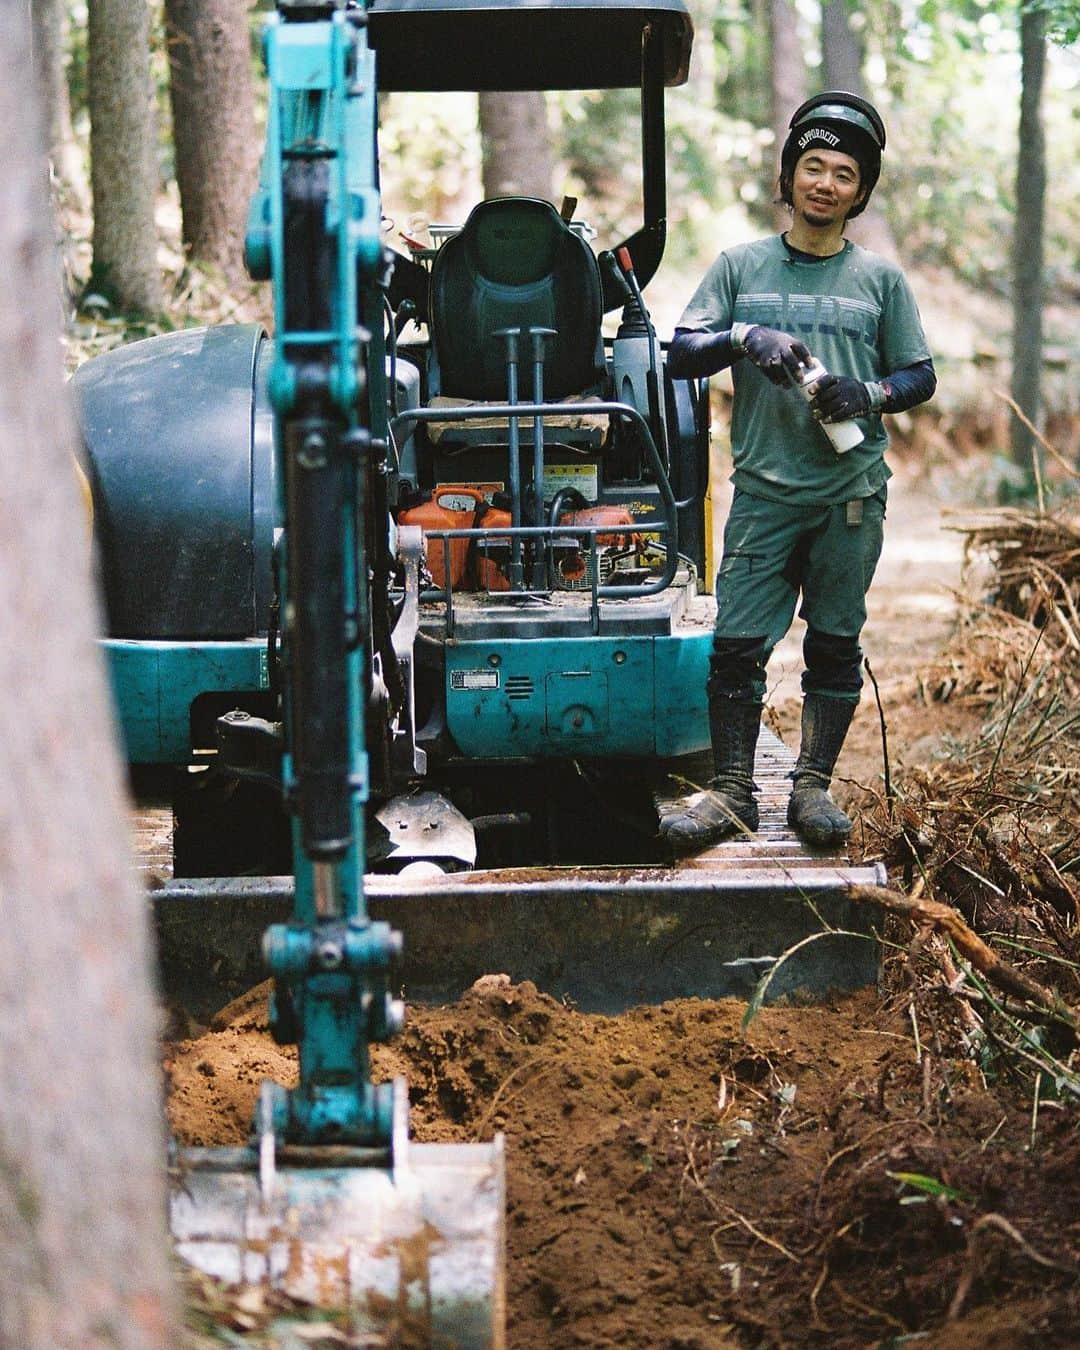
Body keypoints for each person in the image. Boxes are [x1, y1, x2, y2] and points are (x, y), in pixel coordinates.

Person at [661, 91, 936, 851]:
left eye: (843, 173)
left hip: (849, 498)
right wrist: (746, 334)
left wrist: (869, 392)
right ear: (789, 177)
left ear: (860, 191)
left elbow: (920, 375)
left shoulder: (879, 281)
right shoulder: (740, 265)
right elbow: (681, 349)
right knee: (738, 647)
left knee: (834, 644)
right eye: (812, 166)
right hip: (764, 495)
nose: (825, 182)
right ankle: (731, 791)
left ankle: (811, 788)